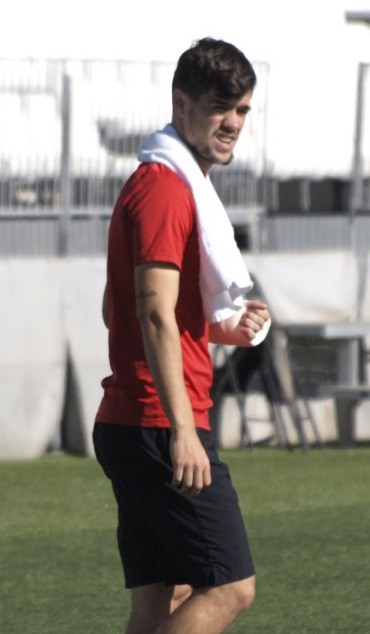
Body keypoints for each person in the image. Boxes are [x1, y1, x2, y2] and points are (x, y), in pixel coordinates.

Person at [93, 38, 270, 634]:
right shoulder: (169, 188)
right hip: (157, 424)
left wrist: (220, 330)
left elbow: (117, 308)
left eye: (243, 109)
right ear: (182, 102)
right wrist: (184, 433)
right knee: (229, 587)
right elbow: (151, 315)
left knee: (163, 600)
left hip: (134, 422)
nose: (233, 123)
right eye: (221, 106)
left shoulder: (161, 180)